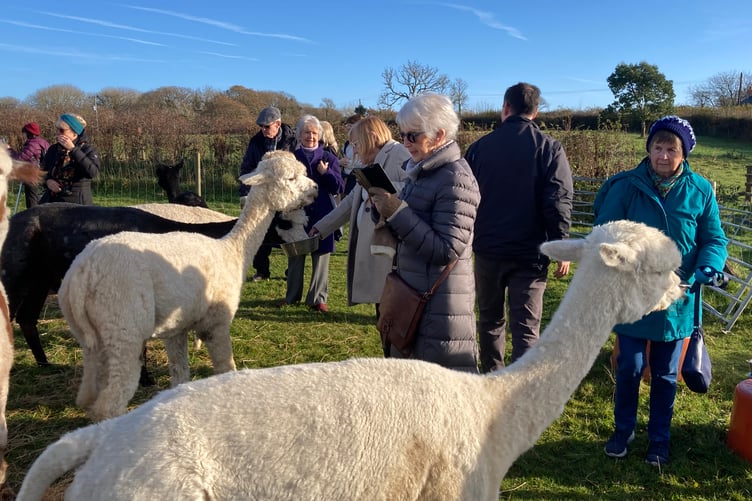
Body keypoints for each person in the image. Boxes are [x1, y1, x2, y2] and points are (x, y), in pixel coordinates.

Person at [594, 115, 728, 466]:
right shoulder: (624, 186)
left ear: (684, 154)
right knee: (629, 366)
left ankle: (659, 439)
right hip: (633, 296)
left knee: (667, 373)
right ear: (648, 149)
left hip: (677, 298)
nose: (663, 156)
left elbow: (714, 239)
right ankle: (623, 431)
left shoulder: (700, 190)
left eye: (672, 149)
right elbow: (605, 232)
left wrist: (708, 266)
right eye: (658, 147)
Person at [464, 82, 574, 373]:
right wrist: (561, 243)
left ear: (505, 108)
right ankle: (520, 389)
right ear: (535, 112)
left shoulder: (478, 148)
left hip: (487, 249)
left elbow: (463, 196)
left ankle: (491, 378)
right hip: (531, 253)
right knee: (526, 327)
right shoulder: (549, 148)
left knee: (489, 320)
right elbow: (558, 199)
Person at [368, 93, 480, 372]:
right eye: (402, 134)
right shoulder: (423, 172)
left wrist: (396, 211)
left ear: (438, 135)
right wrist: (381, 208)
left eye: (412, 136)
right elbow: (408, 228)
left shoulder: (456, 179)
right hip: (414, 300)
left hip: (439, 311)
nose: (405, 143)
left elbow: (446, 249)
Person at [309, 116, 410, 317]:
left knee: (392, 312)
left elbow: (415, 189)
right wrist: (322, 227)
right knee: (382, 312)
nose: (354, 150)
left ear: (371, 137)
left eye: (356, 144)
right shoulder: (368, 164)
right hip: (375, 250)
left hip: (393, 252)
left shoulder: (398, 153)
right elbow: (349, 203)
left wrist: (385, 193)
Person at [282, 115, 344, 312]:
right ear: (299, 134)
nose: (311, 136)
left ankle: (318, 299)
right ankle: (291, 297)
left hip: (322, 214)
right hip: (297, 213)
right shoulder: (290, 158)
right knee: (295, 257)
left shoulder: (329, 158)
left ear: (320, 135)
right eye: (307, 132)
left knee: (321, 257)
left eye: (314, 132)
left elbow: (339, 187)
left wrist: (327, 174)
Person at [239, 106, 296, 281]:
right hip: (263, 194)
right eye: (261, 127)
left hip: (287, 195)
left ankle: (291, 271)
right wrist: (245, 192)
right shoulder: (256, 141)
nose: (263, 130)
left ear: (278, 124)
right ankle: (262, 271)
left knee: (288, 232)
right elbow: (247, 166)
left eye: (266, 126)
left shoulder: (292, 140)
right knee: (259, 231)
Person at [40, 113, 100, 205]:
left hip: (77, 205)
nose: (58, 133)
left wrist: (73, 150)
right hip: (52, 202)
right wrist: (48, 181)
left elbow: (92, 172)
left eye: (62, 130)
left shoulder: (87, 150)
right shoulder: (53, 149)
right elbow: (42, 172)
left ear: (75, 133)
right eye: (57, 130)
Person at [7, 122, 49, 208]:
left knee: (32, 200)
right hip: (42, 173)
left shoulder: (32, 144)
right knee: (39, 198)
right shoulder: (44, 142)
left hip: (32, 174)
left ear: (29, 133)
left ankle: (32, 218)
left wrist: (9, 150)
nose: (23, 135)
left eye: (24, 133)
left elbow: (19, 158)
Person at [339, 114, 363, 195]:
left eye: (350, 125)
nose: (348, 128)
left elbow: (363, 163)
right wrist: (339, 162)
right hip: (346, 180)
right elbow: (342, 158)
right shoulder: (346, 144)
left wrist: (347, 163)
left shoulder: (364, 143)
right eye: (347, 125)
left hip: (358, 180)